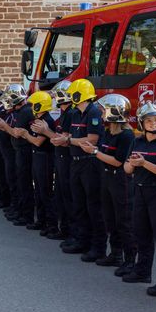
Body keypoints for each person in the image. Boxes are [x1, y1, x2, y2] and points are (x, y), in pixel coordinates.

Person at [122, 101, 156, 297]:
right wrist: (133, 164)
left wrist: (144, 164)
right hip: (140, 192)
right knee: (141, 234)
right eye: (149, 120)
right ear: (142, 124)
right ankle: (142, 271)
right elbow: (127, 169)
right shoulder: (136, 142)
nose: (153, 123)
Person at [80, 94, 136, 274]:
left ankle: (129, 260)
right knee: (110, 218)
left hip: (120, 180)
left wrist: (94, 151)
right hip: (107, 178)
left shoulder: (126, 135)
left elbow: (118, 161)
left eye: (104, 111)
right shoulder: (108, 131)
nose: (102, 114)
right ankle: (116, 254)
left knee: (123, 221)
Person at [63, 79, 107, 263]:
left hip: (89, 164)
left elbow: (92, 139)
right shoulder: (75, 114)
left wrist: (69, 141)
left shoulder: (93, 112)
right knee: (79, 203)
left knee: (93, 206)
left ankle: (98, 247)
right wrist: (67, 139)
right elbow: (72, 135)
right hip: (76, 162)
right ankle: (82, 240)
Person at [33, 80, 74, 242]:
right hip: (60, 159)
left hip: (66, 159)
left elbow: (62, 139)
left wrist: (46, 131)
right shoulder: (65, 114)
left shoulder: (70, 114)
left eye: (57, 95)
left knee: (66, 197)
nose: (55, 99)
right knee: (60, 196)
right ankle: (63, 229)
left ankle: (67, 231)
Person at [0, 84, 34, 228]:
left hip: (24, 151)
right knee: (18, 182)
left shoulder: (25, 111)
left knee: (24, 184)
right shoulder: (20, 111)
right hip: (18, 151)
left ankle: (26, 214)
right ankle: (19, 210)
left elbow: (16, 132)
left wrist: (4, 126)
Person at [21, 91, 57, 236]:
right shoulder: (39, 119)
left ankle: (51, 224)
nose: (31, 108)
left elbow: (37, 141)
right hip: (38, 156)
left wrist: (25, 134)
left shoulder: (47, 120)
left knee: (45, 191)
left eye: (33, 105)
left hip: (45, 157)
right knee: (39, 191)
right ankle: (41, 221)